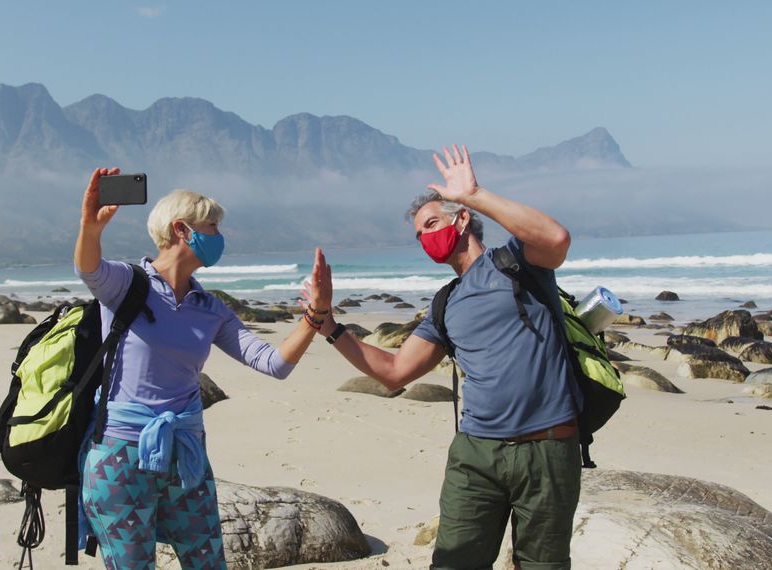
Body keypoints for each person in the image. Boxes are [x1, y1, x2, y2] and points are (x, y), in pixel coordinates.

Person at [315, 146, 580, 569]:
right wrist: (327, 325)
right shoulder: (445, 304)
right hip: (476, 456)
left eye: (432, 224)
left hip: (547, 451)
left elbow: (556, 238)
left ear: (461, 220)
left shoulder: (516, 264)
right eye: (420, 235)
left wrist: (473, 194)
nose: (426, 238)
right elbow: (394, 372)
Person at [74, 167, 332, 570]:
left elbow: (275, 363)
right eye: (212, 226)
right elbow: (88, 268)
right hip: (120, 457)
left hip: (186, 457)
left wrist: (316, 314)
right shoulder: (127, 283)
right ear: (182, 230)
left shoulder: (209, 308)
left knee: (208, 564)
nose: (219, 236)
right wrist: (90, 227)